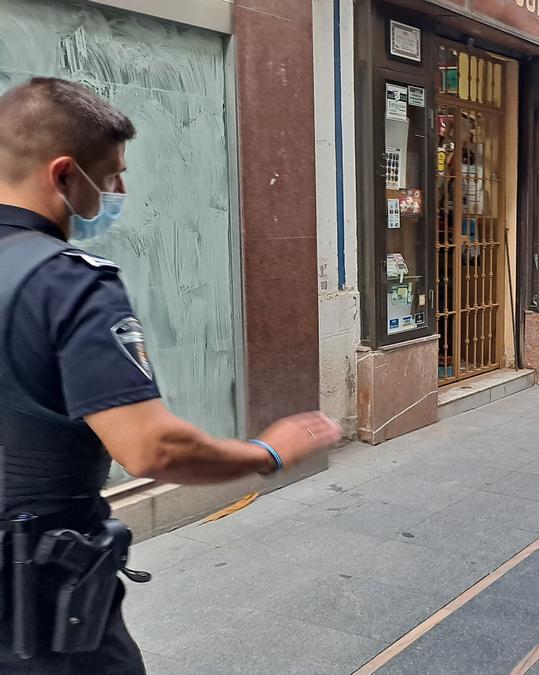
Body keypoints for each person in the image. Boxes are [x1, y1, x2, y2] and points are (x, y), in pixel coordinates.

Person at [0, 78, 341, 672]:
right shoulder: (69, 284)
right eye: (109, 178)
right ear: (62, 176)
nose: (119, 190)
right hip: (38, 614)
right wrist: (266, 452)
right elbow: (152, 448)